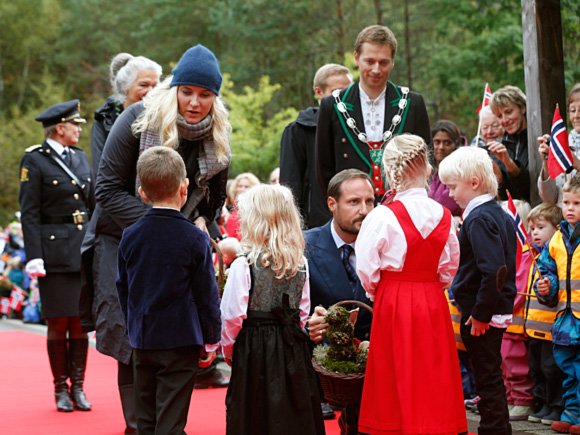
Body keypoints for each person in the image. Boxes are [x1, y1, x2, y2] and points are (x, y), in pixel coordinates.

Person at [80, 44, 231, 432]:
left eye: (204, 94)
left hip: (180, 243)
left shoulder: (218, 137)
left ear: (215, 98)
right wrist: (160, 223)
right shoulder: (137, 118)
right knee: (129, 331)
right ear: (174, 88)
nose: (194, 103)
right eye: (187, 92)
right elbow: (107, 189)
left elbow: (213, 204)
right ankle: (137, 426)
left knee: (175, 331)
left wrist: (199, 223)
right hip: (122, 236)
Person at [356, 134, 466, 435]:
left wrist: (377, 290)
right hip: (432, 297)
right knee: (433, 368)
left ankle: (395, 426)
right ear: (426, 167)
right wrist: (432, 284)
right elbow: (450, 265)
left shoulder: (382, 215)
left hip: (393, 296)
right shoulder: (444, 214)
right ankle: (436, 426)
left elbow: (366, 266)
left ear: (390, 171)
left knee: (395, 368)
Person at [116, 147, 221, 434]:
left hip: (144, 338)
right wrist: (211, 338)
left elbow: (123, 288)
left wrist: (132, 326)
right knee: (171, 422)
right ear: (184, 188)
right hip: (181, 339)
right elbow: (206, 294)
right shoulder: (195, 238)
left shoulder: (130, 236)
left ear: (142, 192)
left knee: (146, 420)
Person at [220, 184, 325, 435]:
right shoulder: (300, 263)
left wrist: (229, 350)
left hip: (254, 349)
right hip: (292, 348)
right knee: (293, 411)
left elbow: (232, 316)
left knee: (254, 412)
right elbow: (302, 313)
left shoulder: (244, 264)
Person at [19, 100, 94, 412]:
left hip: (81, 249)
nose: (79, 130)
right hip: (53, 253)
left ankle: (78, 387)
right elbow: (29, 213)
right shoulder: (35, 159)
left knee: (79, 322)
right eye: (75, 124)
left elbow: (91, 204)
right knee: (58, 322)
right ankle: (60, 388)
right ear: (60, 128)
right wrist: (34, 256)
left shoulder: (80, 157)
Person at [439, 146, 517, 435]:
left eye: (453, 187)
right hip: (486, 310)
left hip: (482, 315)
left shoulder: (480, 218)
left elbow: (494, 270)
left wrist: (482, 314)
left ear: (474, 182)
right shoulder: (495, 213)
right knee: (488, 373)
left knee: (487, 376)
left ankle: (493, 428)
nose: (450, 194)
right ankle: (497, 426)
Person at [316, 25, 431, 200]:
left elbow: (425, 161)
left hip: (402, 204)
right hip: (352, 206)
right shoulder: (331, 105)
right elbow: (324, 167)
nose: (376, 70)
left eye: (383, 62)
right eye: (370, 62)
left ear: (392, 62)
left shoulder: (412, 103)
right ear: (356, 58)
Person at [305, 168, 375, 432]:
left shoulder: (383, 244)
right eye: (354, 202)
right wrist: (309, 325)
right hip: (320, 369)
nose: (364, 210)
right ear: (332, 204)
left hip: (373, 367)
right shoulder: (304, 246)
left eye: (369, 201)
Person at [280, 63, 352, 228]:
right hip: (315, 224)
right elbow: (290, 184)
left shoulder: (359, 130)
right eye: (337, 92)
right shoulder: (298, 131)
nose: (344, 98)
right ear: (319, 92)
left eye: (349, 92)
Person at [535, 173, 580, 435]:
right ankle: (572, 412)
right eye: (566, 203)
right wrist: (547, 285)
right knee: (567, 366)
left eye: (577, 203)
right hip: (565, 317)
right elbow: (547, 269)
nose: (570, 208)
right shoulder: (557, 238)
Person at [523, 203, 564, 425]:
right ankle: (542, 404)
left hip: (551, 326)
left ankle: (555, 405)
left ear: (556, 229)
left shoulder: (556, 255)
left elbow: (555, 284)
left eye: (540, 227)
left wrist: (549, 287)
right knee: (537, 368)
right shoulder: (535, 256)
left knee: (551, 369)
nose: (534, 233)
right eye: (532, 229)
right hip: (534, 326)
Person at [90, 52, 162, 174]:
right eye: (143, 85)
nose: (151, 92)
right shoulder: (105, 121)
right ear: (125, 87)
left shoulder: (165, 117)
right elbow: (101, 169)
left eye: (155, 86)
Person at [499, 199, 535, 421]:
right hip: (502, 316)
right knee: (503, 360)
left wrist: (504, 304)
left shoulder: (525, 250)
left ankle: (522, 400)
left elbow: (520, 285)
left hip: (516, 318)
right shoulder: (504, 247)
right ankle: (510, 397)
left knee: (516, 361)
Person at [537, 83, 580, 205]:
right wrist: (547, 162)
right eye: (573, 110)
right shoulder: (562, 145)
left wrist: (577, 164)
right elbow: (549, 199)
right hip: (564, 215)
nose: (576, 115)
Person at [489, 85, 530, 202]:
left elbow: (530, 187)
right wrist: (498, 177)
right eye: (499, 116)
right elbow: (503, 194)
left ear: (522, 108)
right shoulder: (499, 146)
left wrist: (508, 162)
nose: (505, 120)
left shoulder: (537, 138)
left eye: (508, 112)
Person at [428, 120, 463, 216]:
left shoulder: (460, 172)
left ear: (455, 145)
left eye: (447, 143)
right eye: (437, 142)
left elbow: (447, 205)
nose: (441, 147)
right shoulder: (426, 170)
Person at [224, 172, 260, 240]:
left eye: (246, 186)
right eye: (240, 186)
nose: (242, 189)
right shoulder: (234, 208)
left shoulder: (255, 211)